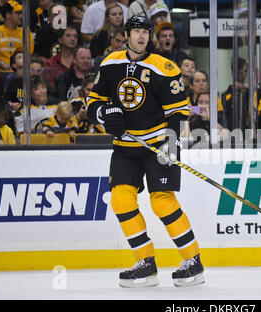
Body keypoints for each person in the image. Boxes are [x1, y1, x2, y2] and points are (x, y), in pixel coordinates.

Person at [86, 14, 204, 287]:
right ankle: (146, 263)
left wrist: (171, 142)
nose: (141, 36)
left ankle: (193, 261)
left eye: (145, 32)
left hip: (158, 144)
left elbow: (178, 111)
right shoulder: (110, 63)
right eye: (136, 31)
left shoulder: (165, 67)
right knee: (121, 201)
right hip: (125, 147)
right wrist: (104, 113)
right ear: (126, 35)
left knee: (162, 201)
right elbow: (94, 102)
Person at [0, 1, 34, 72]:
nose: (21, 16)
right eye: (17, 13)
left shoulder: (26, 32)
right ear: (8, 15)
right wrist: (0, 63)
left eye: (21, 13)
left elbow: (29, 56)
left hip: (20, 73)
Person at [43, 25, 79, 96]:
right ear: (60, 40)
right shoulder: (50, 63)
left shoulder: (81, 62)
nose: (72, 39)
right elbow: (50, 89)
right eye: (68, 36)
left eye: (75, 36)